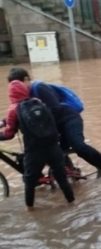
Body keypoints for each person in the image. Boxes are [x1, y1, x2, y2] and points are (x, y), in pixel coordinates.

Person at [1, 68, 101, 175]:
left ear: (26, 79)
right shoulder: (22, 97)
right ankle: (70, 172)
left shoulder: (39, 88)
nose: (16, 88)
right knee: (56, 152)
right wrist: (3, 123)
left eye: (18, 84)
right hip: (55, 125)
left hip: (69, 119)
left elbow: (55, 109)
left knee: (78, 145)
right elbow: (18, 114)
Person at [0, 81, 75, 211]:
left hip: (35, 150)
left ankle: (31, 211)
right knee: (62, 178)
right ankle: (73, 204)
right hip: (53, 146)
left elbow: (9, 134)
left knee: (29, 182)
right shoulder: (38, 102)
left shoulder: (14, 109)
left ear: (11, 95)